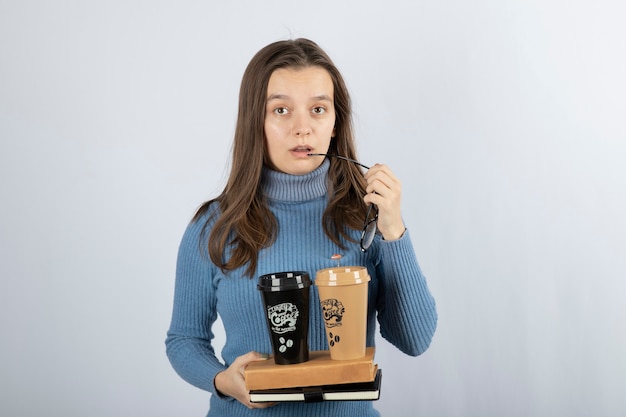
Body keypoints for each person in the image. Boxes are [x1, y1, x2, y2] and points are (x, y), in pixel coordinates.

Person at [165, 38, 437, 417]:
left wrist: (394, 230)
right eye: (281, 110)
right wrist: (220, 379)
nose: (302, 129)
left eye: (318, 109)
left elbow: (415, 340)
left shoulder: (368, 218)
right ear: (254, 121)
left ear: (335, 121)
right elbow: (184, 340)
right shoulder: (215, 225)